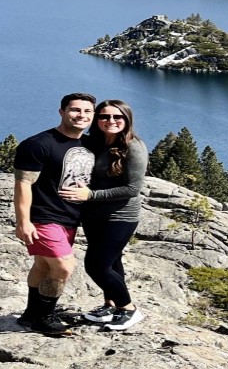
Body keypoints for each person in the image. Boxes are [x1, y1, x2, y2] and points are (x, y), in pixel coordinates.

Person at [59, 99, 148, 331]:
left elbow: (132, 189)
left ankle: (128, 308)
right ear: (96, 120)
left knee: (96, 266)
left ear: (127, 120)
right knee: (112, 261)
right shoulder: (94, 143)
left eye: (117, 117)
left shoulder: (134, 147)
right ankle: (110, 304)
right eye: (104, 117)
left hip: (120, 216)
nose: (111, 121)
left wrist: (90, 196)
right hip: (93, 215)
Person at [13, 92, 96, 335]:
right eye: (75, 110)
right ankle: (45, 316)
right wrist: (23, 221)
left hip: (71, 217)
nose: (81, 115)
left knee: (42, 265)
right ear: (62, 112)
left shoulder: (89, 144)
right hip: (43, 216)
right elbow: (23, 184)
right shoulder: (38, 144)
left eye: (87, 111)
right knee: (63, 267)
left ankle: (30, 315)